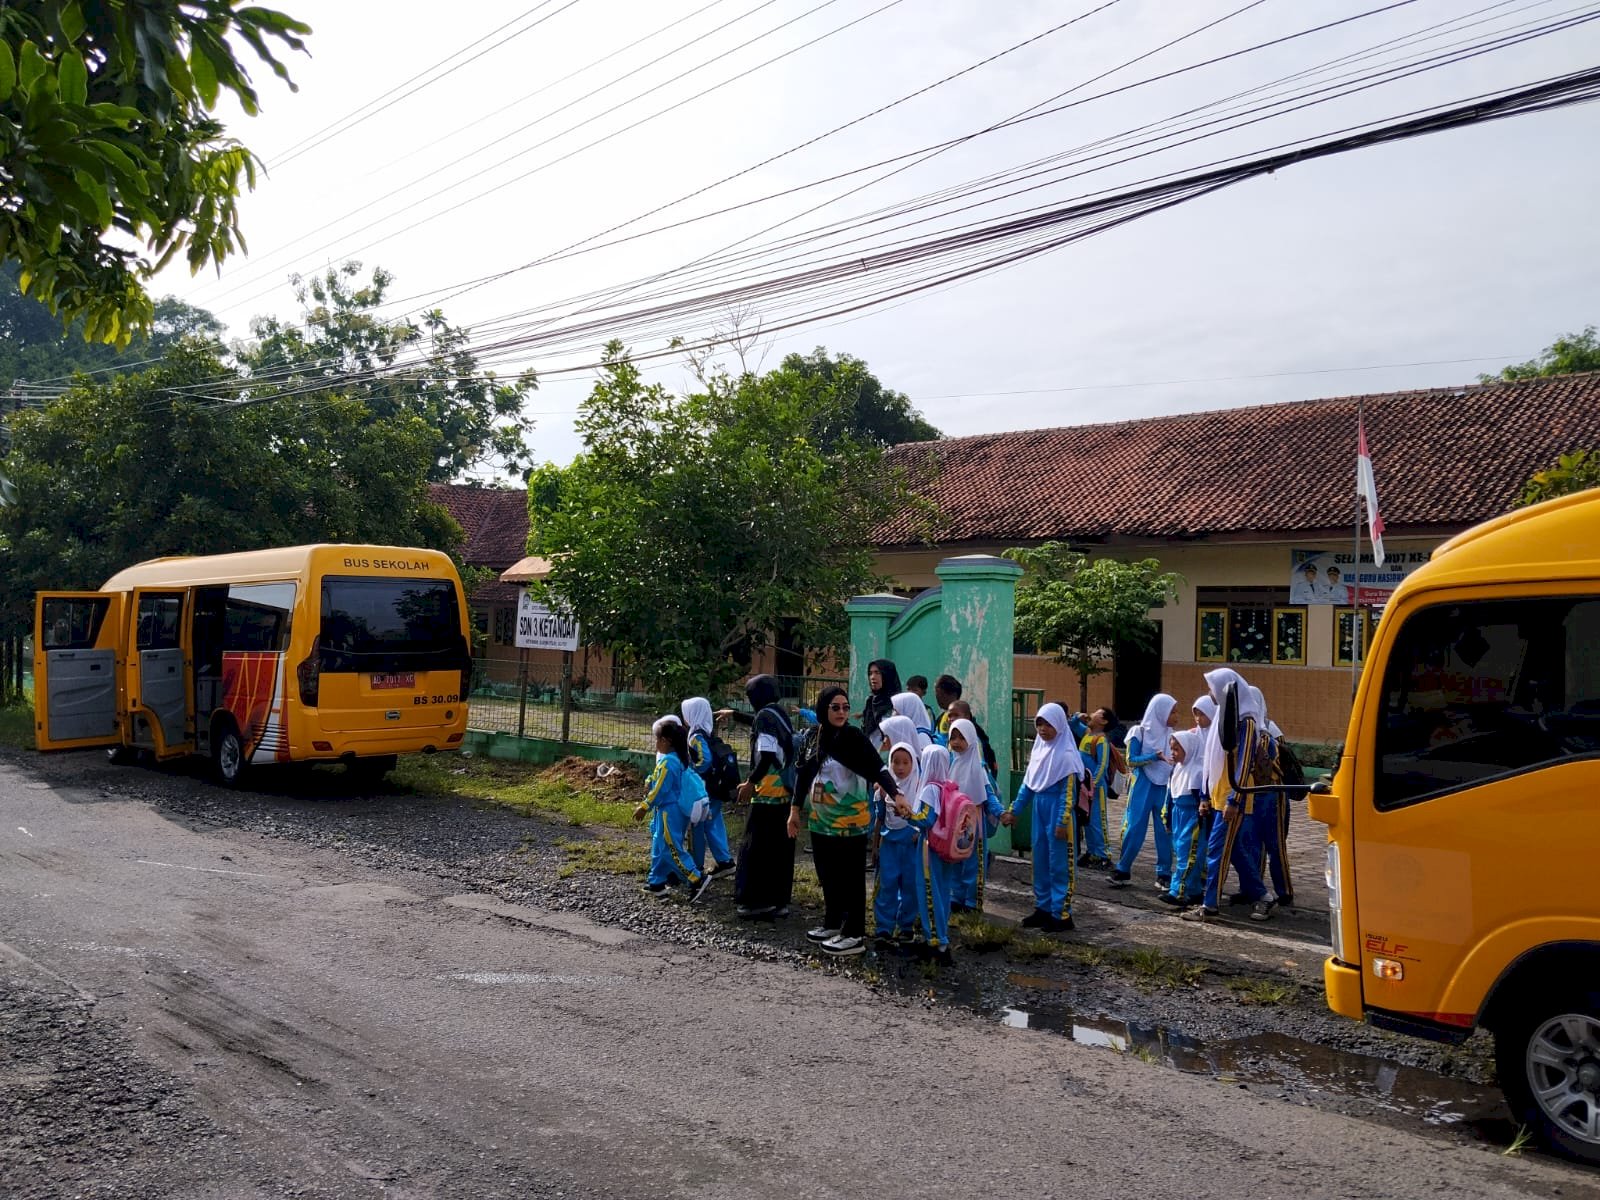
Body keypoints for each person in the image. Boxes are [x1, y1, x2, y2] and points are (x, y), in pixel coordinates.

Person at [791, 685, 902, 957]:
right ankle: (833, 923)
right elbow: (804, 775)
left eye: (844, 707)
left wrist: (896, 794)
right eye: (835, 707)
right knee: (827, 873)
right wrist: (794, 811)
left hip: (851, 823)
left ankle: (854, 933)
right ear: (823, 709)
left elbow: (878, 768)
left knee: (850, 878)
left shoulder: (854, 738)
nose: (841, 712)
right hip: (820, 822)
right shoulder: (814, 738)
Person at [1184, 669, 1272, 923]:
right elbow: (1210, 761)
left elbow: (1244, 765)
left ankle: (1209, 905)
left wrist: (1235, 799)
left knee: (1216, 850)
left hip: (1232, 797)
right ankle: (1262, 895)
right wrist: (1204, 795)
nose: (1210, 693)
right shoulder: (1224, 717)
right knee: (1232, 850)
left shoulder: (1247, 721)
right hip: (1217, 795)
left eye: (1212, 688)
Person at [1002, 703, 1082, 932]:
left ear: (1059, 724)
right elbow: (1028, 785)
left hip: (1058, 812)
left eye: (1048, 724)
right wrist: (1014, 811)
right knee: (1040, 860)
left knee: (1060, 864)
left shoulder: (1066, 755)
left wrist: (1062, 822)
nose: (1043, 729)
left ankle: (1061, 913)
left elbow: (1068, 794)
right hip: (1040, 808)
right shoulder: (1038, 751)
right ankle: (1043, 908)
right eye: (1039, 724)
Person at [733, 675, 798, 920]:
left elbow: (768, 753)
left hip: (767, 792)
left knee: (756, 847)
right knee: (780, 848)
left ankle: (754, 901)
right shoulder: (778, 713)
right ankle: (779, 900)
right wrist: (737, 716)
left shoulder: (764, 717)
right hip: (784, 793)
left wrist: (751, 782)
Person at [636, 717, 710, 901]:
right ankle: (656, 882)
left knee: (671, 847)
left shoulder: (669, 762)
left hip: (670, 811)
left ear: (666, 741)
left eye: (657, 739)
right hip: (672, 811)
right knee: (660, 845)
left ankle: (695, 878)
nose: (655, 743)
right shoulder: (677, 758)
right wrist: (648, 780)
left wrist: (644, 806)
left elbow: (661, 789)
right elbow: (657, 779)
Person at [1110, 694, 1176, 891]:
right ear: (1160, 711)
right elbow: (1131, 760)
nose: (1176, 716)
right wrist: (1154, 757)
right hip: (1142, 784)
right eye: (1173, 711)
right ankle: (1123, 868)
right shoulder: (1138, 732)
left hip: (1164, 785)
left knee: (1164, 830)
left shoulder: (1171, 734)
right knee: (1134, 826)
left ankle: (1164, 873)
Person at [906, 745, 956, 962]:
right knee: (943, 892)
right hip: (945, 848)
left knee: (928, 892)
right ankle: (941, 938)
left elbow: (925, 818)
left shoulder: (929, 789)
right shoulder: (948, 786)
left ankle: (935, 943)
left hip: (929, 848)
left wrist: (906, 815)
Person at [872, 741, 924, 948]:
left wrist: (918, 833)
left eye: (905, 762)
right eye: (895, 762)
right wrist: (875, 845)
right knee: (887, 885)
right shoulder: (884, 791)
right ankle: (883, 928)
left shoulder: (921, 788)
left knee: (910, 886)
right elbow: (879, 819)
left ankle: (906, 926)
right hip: (889, 844)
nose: (900, 767)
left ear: (913, 764)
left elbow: (925, 819)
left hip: (911, 846)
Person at [947, 717, 1002, 913]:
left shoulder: (978, 768)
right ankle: (956, 895)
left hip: (974, 821)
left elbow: (988, 795)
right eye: (952, 737)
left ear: (971, 739)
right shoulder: (951, 763)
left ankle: (972, 901)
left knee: (973, 862)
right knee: (955, 858)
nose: (956, 742)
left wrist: (1000, 813)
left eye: (961, 738)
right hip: (956, 821)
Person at [1247, 684, 1293, 910]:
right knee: (1253, 842)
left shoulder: (1269, 731)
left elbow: (1280, 766)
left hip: (1273, 795)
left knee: (1275, 844)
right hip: (1253, 794)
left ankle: (1284, 890)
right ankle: (1254, 887)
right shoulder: (1248, 730)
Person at [682, 697, 736, 882]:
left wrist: (691, 771)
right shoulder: (708, 731)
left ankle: (697, 865)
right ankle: (725, 860)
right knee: (714, 822)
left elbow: (705, 760)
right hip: (716, 787)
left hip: (704, 789)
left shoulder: (695, 735)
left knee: (698, 824)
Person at [1159, 713, 1209, 909]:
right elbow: (1170, 796)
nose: (1173, 753)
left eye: (1177, 749)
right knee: (1181, 852)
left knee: (1188, 856)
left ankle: (1177, 891)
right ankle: (1194, 891)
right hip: (1178, 816)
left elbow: (1201, 799)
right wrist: (1168, 818)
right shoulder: (1177, 769)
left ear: (1189, 749)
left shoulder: (1197, 771)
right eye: (1171, 749)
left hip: (1192, 819)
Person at [1077, 707, 1117, 868]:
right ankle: (1092, 852)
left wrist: (1093, 783)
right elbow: (1073, 724)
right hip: (1085, 788)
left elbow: (1102, 765)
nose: (1092, 714)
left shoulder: (1101, 740)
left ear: (1104, 721)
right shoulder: (1087, 734)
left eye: (1097, 713)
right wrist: (1079, 717)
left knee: (1098, 821)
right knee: (1087, 821)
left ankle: (1103, 855)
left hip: (1096, 789)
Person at [947, 700, 998, 777]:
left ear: (967, 717)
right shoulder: (949, 738)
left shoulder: (974, 740)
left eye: (956, 715)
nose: (952, 719)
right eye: (950, 716)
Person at [861, 659, 902, 745]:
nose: (872, 677)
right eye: (870, 673)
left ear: (887, 675)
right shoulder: (870, 701)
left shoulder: (898, 703)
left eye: (877, 673)